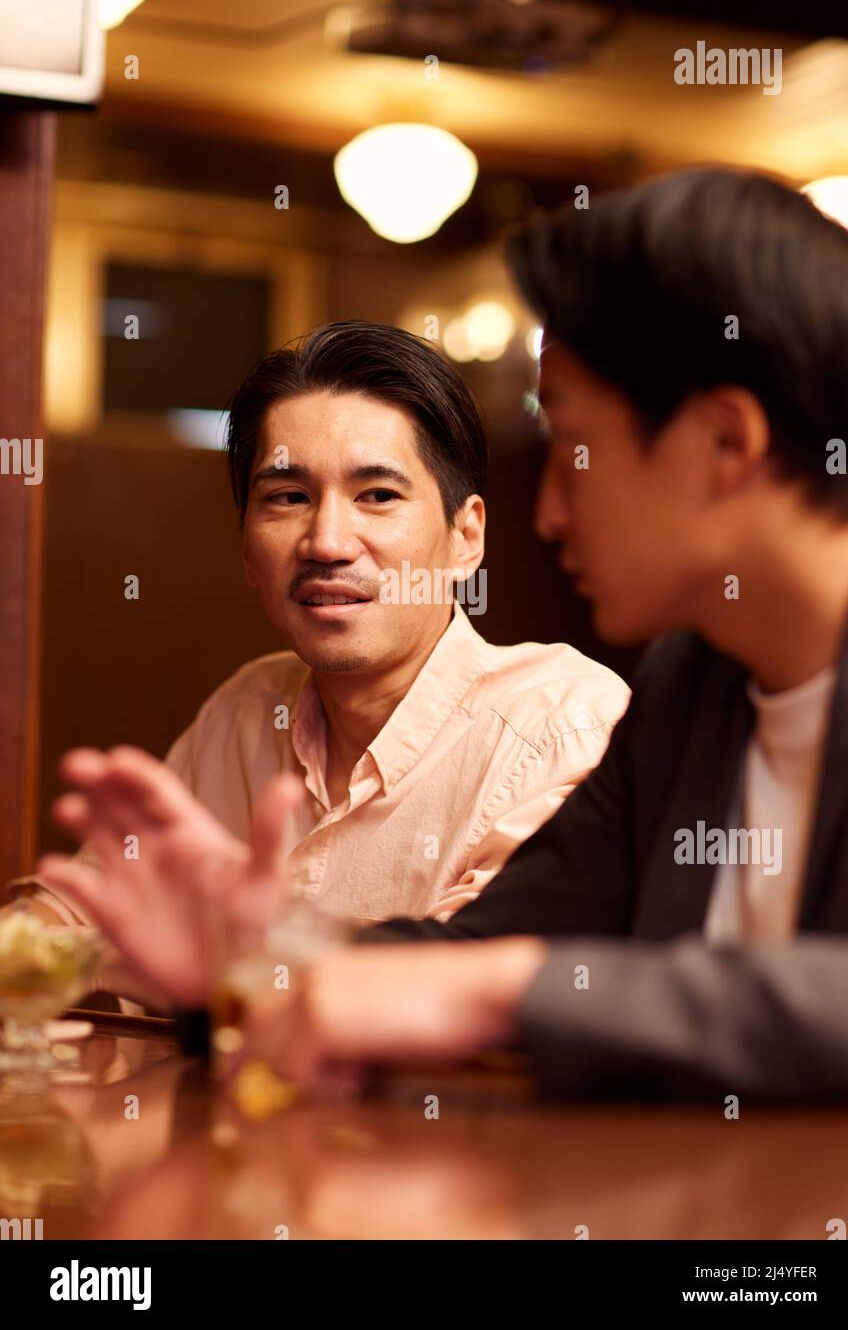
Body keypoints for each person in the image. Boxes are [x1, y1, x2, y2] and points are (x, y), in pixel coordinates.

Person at [38, 167, 848, 1100]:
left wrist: (507, 989)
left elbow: (510, 976)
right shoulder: (694, 689)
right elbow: (480, 945)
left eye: (573, 449)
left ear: (725, 443)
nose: (548, 514)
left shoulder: (585, 702)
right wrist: (253, 958)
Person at [9, 321, 628, 1005]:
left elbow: (470, 988)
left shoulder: (561, 724)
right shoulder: (247, 709)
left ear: (465, 537)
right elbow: (79, 915)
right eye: (288, 497)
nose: (327, 541)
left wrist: (225, 950)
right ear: (247, 551)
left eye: (377, 495)